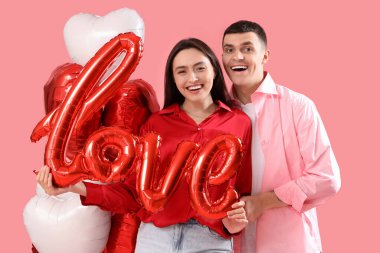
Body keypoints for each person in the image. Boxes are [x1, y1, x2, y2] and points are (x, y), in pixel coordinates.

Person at [38, 38, 253, 253]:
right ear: (173, 79)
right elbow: (132, 194)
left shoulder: (239, 123)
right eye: (182, 71)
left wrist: (236, 224)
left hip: (209, 240)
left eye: (200, 68)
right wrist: (73, 186)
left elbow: (241, 192)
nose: (193, 78)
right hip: (155, 239)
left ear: (214, 71)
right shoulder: (156, 124)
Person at [221, 20, 341, 253]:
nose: (237, 56)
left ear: (265, 56)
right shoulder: (217, 113)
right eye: (229, 50)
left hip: (290, 243)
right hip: (230, 245)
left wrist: (264, 202)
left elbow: (326, 177)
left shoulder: (298, 106)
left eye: (247, 49)